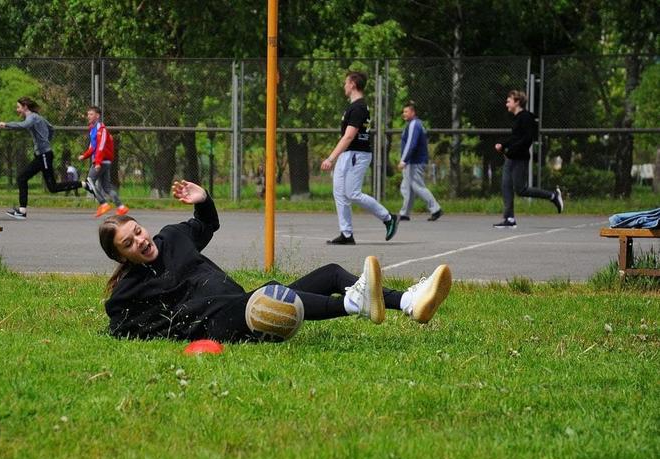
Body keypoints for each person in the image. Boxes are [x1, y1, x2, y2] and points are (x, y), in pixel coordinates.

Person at [99, 180, 452, 343]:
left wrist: (203, 198)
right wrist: (184, 333)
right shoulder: (130, 290)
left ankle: (408, 301)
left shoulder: (172, 236)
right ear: (120, 255)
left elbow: (207, 224)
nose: (141, 241)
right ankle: (354, 303)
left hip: (245, 304)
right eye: (129, 243)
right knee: (269, 294)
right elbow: (122, 324)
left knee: (329, 273)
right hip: (220, 325)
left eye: (138, 231)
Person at [321, 71, 397, 245]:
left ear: (353, 84)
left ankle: (388, 217)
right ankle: (346, 234)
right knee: (340, 192)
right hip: (348, 154)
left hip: (357, 154)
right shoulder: (354, 106)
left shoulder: (358, 107)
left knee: (352, 193)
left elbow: (348, 136)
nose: (344, 86)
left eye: (346, 82)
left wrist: (330, 158)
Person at [0, 97, 82, 220]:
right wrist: (46, 141)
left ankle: (22, 211)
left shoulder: (32, 117)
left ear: (25, 107)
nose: (18, 110)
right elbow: (51, 128)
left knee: (27, 179)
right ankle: (22, 210)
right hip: (42, 155)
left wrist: (6, 124)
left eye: (18, 107)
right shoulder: (38, 117)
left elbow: (23, 125)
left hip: (44, 155)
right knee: (45, 185)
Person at [494, 90, 563, 228]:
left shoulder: (526, 117)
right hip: (511, 158)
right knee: (506, 186)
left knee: (521, 189)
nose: (506, 103)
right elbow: (514, 138)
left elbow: (526, 139)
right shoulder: (516, 118)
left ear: (517, 102)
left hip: (520, 158)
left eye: (509, 100)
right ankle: (509, 219)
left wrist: (510, 150)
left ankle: (553, 196)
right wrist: (503, 145)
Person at [77, 106, 128, 218]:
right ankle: (121, 207)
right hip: (103, 161)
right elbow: (92, 147)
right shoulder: (93, 129)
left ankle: (103, 203)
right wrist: (84, 156)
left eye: (91, 114)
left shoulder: (102, 130)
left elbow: (100, 146)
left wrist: (98, 162)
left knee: (89, 181)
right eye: (88, 114)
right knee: (107, 187)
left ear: (97, 116)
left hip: (102, 161)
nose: (88, 116)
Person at [398, 101, 442, 222]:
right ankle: (405, 213)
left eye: (406, 112)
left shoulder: (414, 125)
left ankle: (435, 209)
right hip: (413, 161)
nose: (404, 114)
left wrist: (404, 160)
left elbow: (411, 144)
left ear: (413, 112)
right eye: (403, 112)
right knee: (407, 188)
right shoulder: (415, 124)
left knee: (417, 186)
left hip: (414, 161)